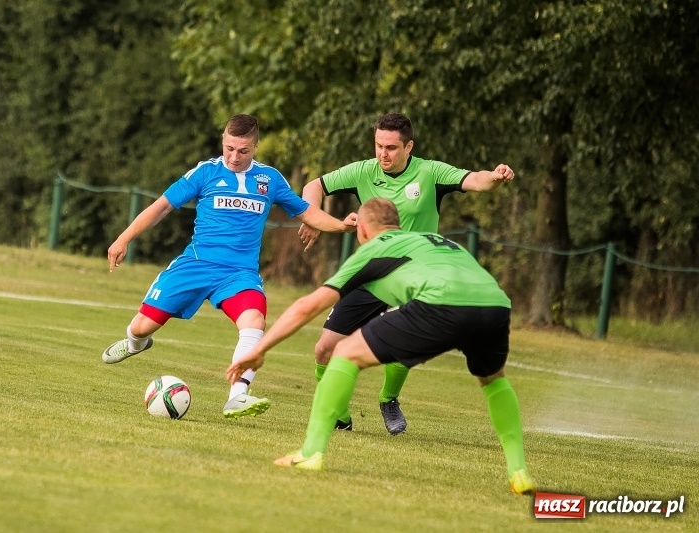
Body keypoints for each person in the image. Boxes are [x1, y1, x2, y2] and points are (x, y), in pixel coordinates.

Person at [227, 198, 535, 495]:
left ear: (361, 229)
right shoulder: (431, 240)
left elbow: (308, 307)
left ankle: (311, 453)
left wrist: (260, 348)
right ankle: (519, 472)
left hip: (441, 303)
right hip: (494, 305)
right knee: (494, 381)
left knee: (344, 353)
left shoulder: (375, 248)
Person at [102, 114, 357, 419]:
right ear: (223, 142)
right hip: (195, 265)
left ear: (256, 147)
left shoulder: (270, 179)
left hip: (239, 274)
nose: (234, 157)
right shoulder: (205, 172)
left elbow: (306, 213)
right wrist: (124, 238)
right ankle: (135, 343)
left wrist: (342, 226)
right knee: (142, 326)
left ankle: (237, 397)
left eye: (243, 151)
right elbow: (162, 207)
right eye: (229, 148)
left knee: (254, 321)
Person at [298, 112, 515, 435]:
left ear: (409, 146)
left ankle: (389, 399)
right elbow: (314, 185)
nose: (383, 154)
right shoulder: (363, 171)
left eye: (391, 147)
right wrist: (312, 217)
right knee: (324, 349)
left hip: (415, 279)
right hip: (372, 275)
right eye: (378, 146)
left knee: (400, 347)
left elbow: (474, 179)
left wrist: (495, 177)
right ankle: (339, 415)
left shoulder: (430, 172)